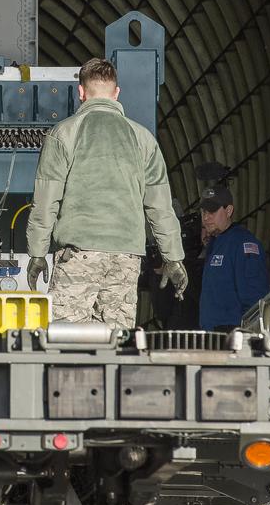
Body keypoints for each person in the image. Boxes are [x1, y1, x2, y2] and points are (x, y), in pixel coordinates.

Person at [25, 58, 188, 328]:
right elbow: (160, 207)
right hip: (125, 258)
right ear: (116, 93)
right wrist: (173, 258)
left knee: (68, 342)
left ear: (81, 92)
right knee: (114, 346)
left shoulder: (64, 134)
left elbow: (45, 201)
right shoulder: (143, 138)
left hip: (79, 255)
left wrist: (37, 253)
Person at [197, 186, 269, 331]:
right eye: (204, 211)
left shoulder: (243, 244)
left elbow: (255, 297)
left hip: (231, 334)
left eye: (212, 211)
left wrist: (243, 334)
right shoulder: (215, 243)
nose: (206, 217)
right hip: (212, 334)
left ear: (229, 211)